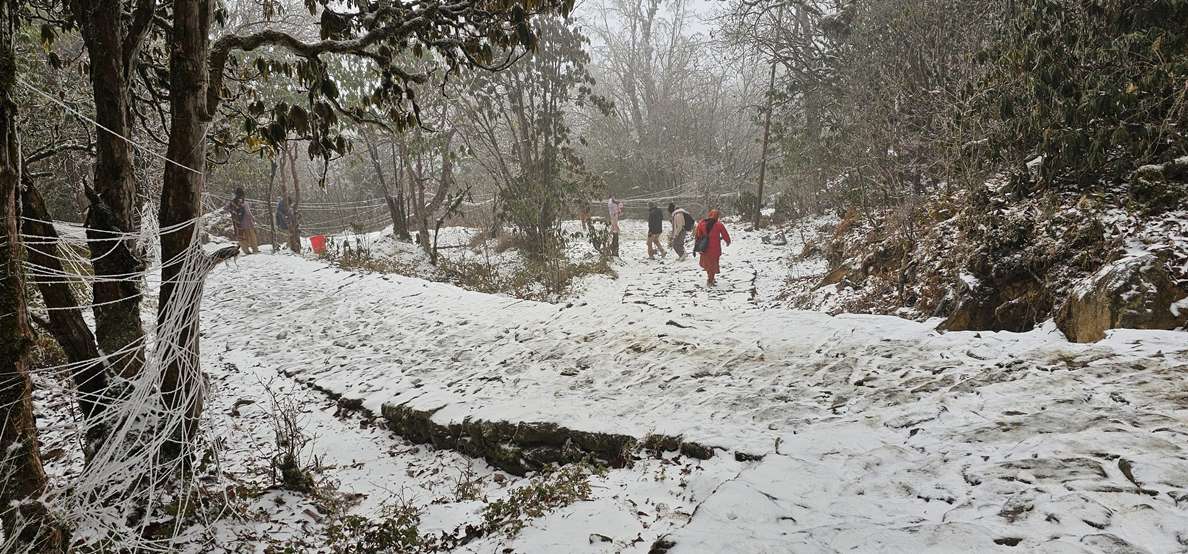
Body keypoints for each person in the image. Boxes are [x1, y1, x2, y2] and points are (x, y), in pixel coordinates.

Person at [693, 209, 731, 287]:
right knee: (713, 265)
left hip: (704, 247)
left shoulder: (701, 223)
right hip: (715, 249)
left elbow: (697, 235)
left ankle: (710, 278)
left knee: (708, 264)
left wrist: (698, 244)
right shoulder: (719, 225)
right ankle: (710, 280)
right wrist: (728, 241)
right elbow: (725, 234)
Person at [227, 187, 259, 254]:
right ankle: (255, 249)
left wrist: (236, 216)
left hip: (238, 223)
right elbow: (248, 213)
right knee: (252, 236)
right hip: (247, 222)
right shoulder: (244, 202)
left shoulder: (232, 203)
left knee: (241, 237)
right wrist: (253, 219)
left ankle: (246, 250)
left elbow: (229, 210)